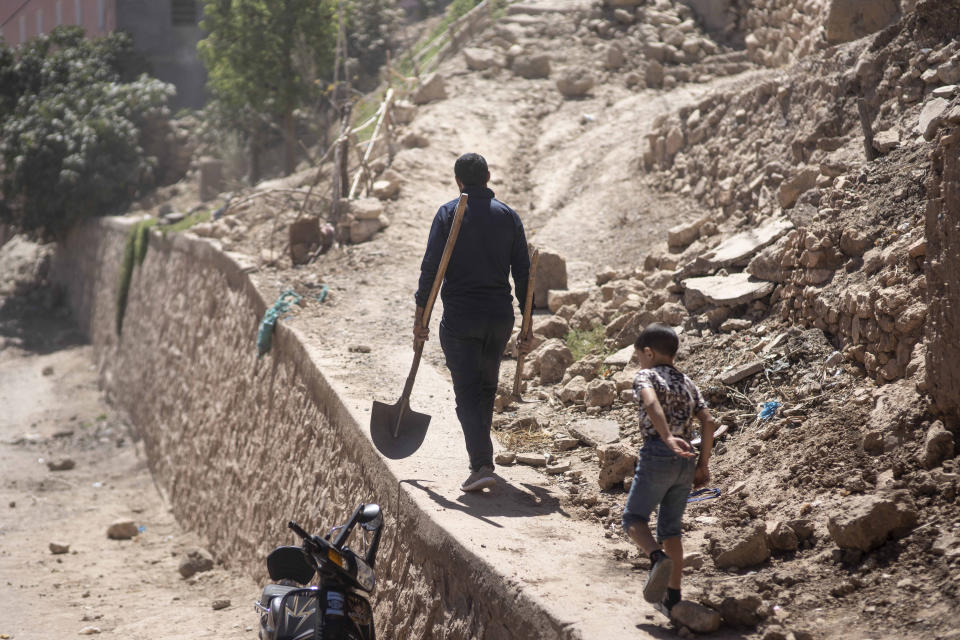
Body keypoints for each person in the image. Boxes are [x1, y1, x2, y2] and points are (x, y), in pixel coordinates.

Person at [413, 152, 531, 492]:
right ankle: (483, 459)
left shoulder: (449, 214)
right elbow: (524, 274)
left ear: (458, 181)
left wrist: (420, 317)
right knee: (486, 388)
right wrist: (527, 321)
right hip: (498, 317)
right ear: (489, 177)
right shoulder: (508, 216)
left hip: (461, 318)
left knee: (467, 391)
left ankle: (481, 463)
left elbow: (431, 269)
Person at [621, 323, 717, 617]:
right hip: (686, 459)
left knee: (633, 518)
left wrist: (665, 437)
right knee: (671, 530)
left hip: (658, 453)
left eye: (639, 355)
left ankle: (656, 557)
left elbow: (650, 401)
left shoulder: (646, 375)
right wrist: (702, 465)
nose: (639, 361)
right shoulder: (687, 382)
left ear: (648, 352)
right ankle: (673, 598)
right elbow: (709, 422)